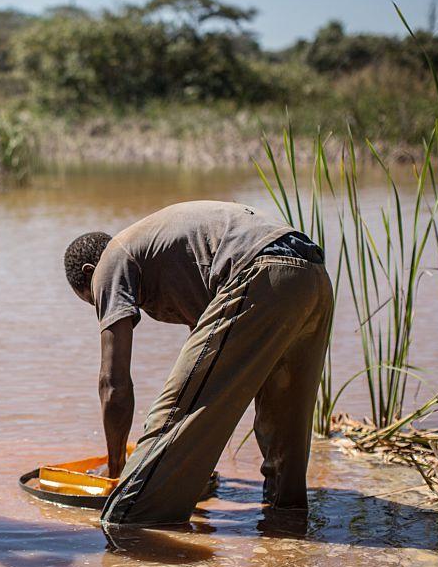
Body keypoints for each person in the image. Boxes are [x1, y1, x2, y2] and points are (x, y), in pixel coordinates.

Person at [63, 200, 333, 529]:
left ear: (89, 273)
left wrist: (116, 467)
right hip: (311, 272)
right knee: (285, 422)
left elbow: (113, 384)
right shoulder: (162, 255)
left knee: (139, 496)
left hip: (261, 268)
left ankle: (131, 529)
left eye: (93, 299)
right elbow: (208, 373)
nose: (103, 304)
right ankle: (286, 530)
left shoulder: (110, 262)